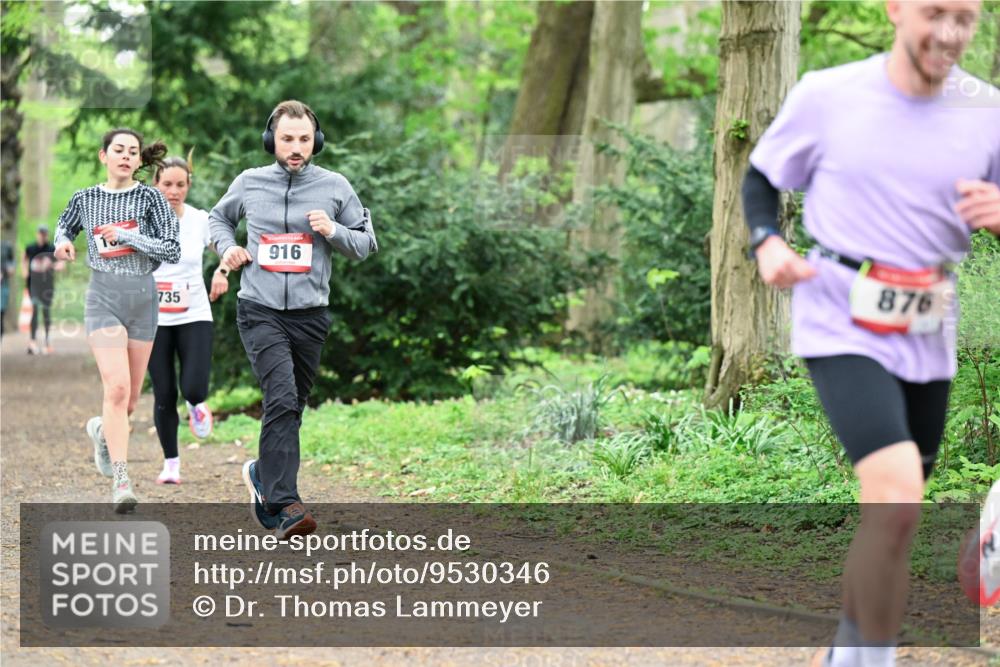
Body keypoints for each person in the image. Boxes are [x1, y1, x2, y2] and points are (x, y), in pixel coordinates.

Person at [742, 2, 1000, 665]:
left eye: (965, 17)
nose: (949, 32)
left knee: (894, 518)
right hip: (839, 313)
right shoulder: (829, 96)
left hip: (927, 323)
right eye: (934, 13)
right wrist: (768, 243)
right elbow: (762, 178)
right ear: (894, 9)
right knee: (895, 495)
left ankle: (847, 654)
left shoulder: (987, 111)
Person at [210, 100, 377, 539]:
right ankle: (286, 504)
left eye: (304, 139)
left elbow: (366, 244)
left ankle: (263, 473)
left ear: (316, 141)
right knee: (281, 398)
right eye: (287, 139)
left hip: (310, 316)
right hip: (259, 309)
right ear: (272, 140)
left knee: (293, 406)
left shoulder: (335, 186)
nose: (296, 147)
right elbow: (217, 219)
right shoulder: (249, 182)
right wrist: (226, 248)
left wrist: (333, 231)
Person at [54, 127, 180, 513]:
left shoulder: (150, 198)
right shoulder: (86, 198)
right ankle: (122, 481)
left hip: (142, 299)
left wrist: (132, 239)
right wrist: (62, 241)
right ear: (103, 156)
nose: (126, 156)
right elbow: (65, 224)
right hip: (103, 298)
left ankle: (102, 433)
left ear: (140, 161)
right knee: (117, 389)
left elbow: (171, 248)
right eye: (118, 150)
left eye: (133, 152)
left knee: (127, 402)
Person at [148, 154, 231, 485]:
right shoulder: (143, 221)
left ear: (188, 186)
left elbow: (226, 248)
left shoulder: (199, 220)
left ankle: (197, 404)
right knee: (164, 393)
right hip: (153, 319)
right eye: (167, 184)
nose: (173, 191)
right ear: (156, 185)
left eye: (180, 184)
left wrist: (222, 272)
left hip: (194, 313)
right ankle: (171, 463)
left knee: (193, 387)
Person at [22, 224, 63, 354]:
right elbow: (24, 258)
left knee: (46, 311)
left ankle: (47, 341)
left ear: (47, 235)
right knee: (34, 309)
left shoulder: (52, 248)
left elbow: (61, 263)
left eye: (45, 233)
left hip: (47, 285)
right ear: (37, 234)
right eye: (41, 233)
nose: (42, 236)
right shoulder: (31, 248)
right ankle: (32, 342)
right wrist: (24, 271)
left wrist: (53, 265)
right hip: (33, 284)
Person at [0, 239, 13, 338]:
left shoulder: (6, 246)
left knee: (1, 315)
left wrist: (4, 272)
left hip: (2, 286)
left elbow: (11, 268)